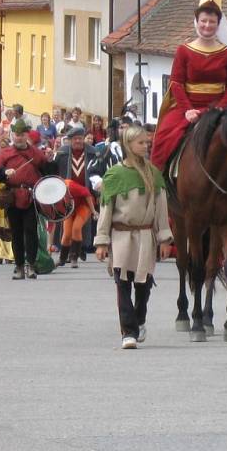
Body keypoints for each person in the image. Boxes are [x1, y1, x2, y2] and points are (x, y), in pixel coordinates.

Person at [94, 126, 172, 349]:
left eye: (147, 142)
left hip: (146, 236)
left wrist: (165, 238)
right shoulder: (114, 175)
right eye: (141, 143)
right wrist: (102, 242)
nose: (146, 146)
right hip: (121, 236)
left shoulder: (153, 174)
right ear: (129, 145)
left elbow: (161, 210)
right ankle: (128, 332)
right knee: (122, 282)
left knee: (144, 285)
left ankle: (139, 319)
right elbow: (106, 211)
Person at [150, 0, 227, 171]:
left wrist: (221, 108)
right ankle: (159, 181)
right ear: (197, 22)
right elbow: (176, 83)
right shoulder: (183, 50)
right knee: (163, 137)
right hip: (188, 108)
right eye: (203, 21)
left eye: (212, 21)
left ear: (218, 24)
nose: (207, 25)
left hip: (218, 109)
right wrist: (187, 109)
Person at [0, 119, 52, 279]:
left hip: (31, 197)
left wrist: (51, 161)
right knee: (16, 233)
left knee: (31, 232)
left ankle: (31, 265)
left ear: (26, 135)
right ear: (13, 135)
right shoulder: (5, 153)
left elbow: (48, 172)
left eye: (22, 134)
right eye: (17, 134)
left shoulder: (35, 153)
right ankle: (18, 266)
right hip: (12, 197)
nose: (19, 137)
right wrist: (4, 173)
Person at [54, 126, 98, 263]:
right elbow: (54, 172)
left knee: (78, 227)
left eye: (80, 138)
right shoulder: (62, 153)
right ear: (70, 140)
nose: (78, 141)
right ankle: (64, 256)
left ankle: (75, 255)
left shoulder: (92, 153)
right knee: (67, 232)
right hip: (68, 199)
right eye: (75, 139)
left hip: (86, 198)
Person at [59, 178, 97, 269]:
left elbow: (87, 193)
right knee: (67, 233)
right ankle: (62, 259)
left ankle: (74, 258)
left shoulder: (70, 186)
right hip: (69, 207)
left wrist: (93, 211)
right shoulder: (54, 193)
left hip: (83, 205)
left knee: (76, 228)